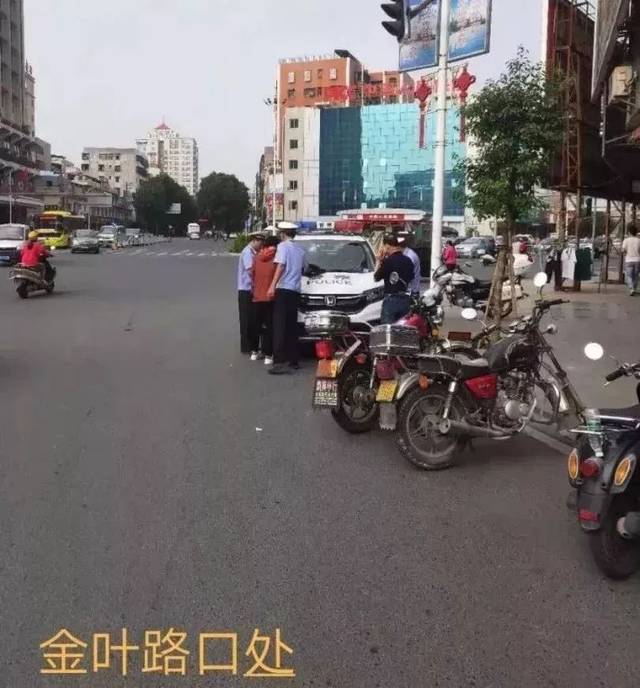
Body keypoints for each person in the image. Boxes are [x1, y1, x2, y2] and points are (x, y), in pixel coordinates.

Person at [267, 228, 306, 375]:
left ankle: (278, 362)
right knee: (291, 326)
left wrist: (272, 285)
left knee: (279, 326)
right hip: (295, 290)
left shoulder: (282, 247)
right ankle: (293, 360)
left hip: (283, 289)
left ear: (283, 234)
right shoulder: (300, 250)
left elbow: (281, 265)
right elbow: (304, 268)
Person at [374, 234, 414, 325]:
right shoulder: (408, 261)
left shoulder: (388, 261)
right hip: (405, 300)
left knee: (388, 330)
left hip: (390, 301)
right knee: (403, 329)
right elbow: (411, 278)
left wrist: (378, 261)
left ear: (387, 246)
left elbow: (376, 277)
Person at [252, 235, 279, 365]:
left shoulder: (257, 257)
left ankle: (254, 352)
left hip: (257, 295)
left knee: (256, 325)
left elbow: (251, 273)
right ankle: (268, 355)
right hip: (270, 296)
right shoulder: (276, 258)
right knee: (269, 326)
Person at [237, 233, 264, 354]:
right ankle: (246, 346)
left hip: (250, 289)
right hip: (246, 290)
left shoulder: (254, 252)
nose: (261, 245)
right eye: (260, 243)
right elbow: (250, 271)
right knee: (246, 319)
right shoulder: (248, 252)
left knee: (252, 319)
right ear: (254, 240)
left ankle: (250, 345)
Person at [622, 224, 640, 296]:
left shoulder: (626, 240)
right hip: (637, 260)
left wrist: (625, 252)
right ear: (636, 232)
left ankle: (631, 289)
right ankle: (634, 289)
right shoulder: (639, 240)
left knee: (629, 276)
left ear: (629, 232)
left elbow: (623, 250)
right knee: (636, 276)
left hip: (629, 260)